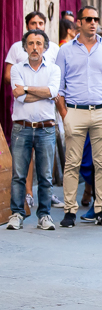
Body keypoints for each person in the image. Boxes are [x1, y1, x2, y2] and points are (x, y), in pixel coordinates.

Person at [55, 6, 102, 228]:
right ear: (79, 22)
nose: (93, 23)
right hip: (74, 111)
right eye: (88, 19)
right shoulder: (65, 51)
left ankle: (101, 210)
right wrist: (65, 114)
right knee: (72, 164)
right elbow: (59, 87)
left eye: (96, 19)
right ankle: (70, 210)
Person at [6, 30, 61, 231]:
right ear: (25, 47)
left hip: (46, 129)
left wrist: (27, 88)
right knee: (19, 175)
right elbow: (18, 97)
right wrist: (42, 92)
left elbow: (52, 92)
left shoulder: (54, 69)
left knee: (46, 176)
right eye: (30, 43)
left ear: (45, 47)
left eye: (38, 43)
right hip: (22, 128)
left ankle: (44, 215)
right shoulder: (17, 69)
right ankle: (17, 214)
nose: (35, 47)